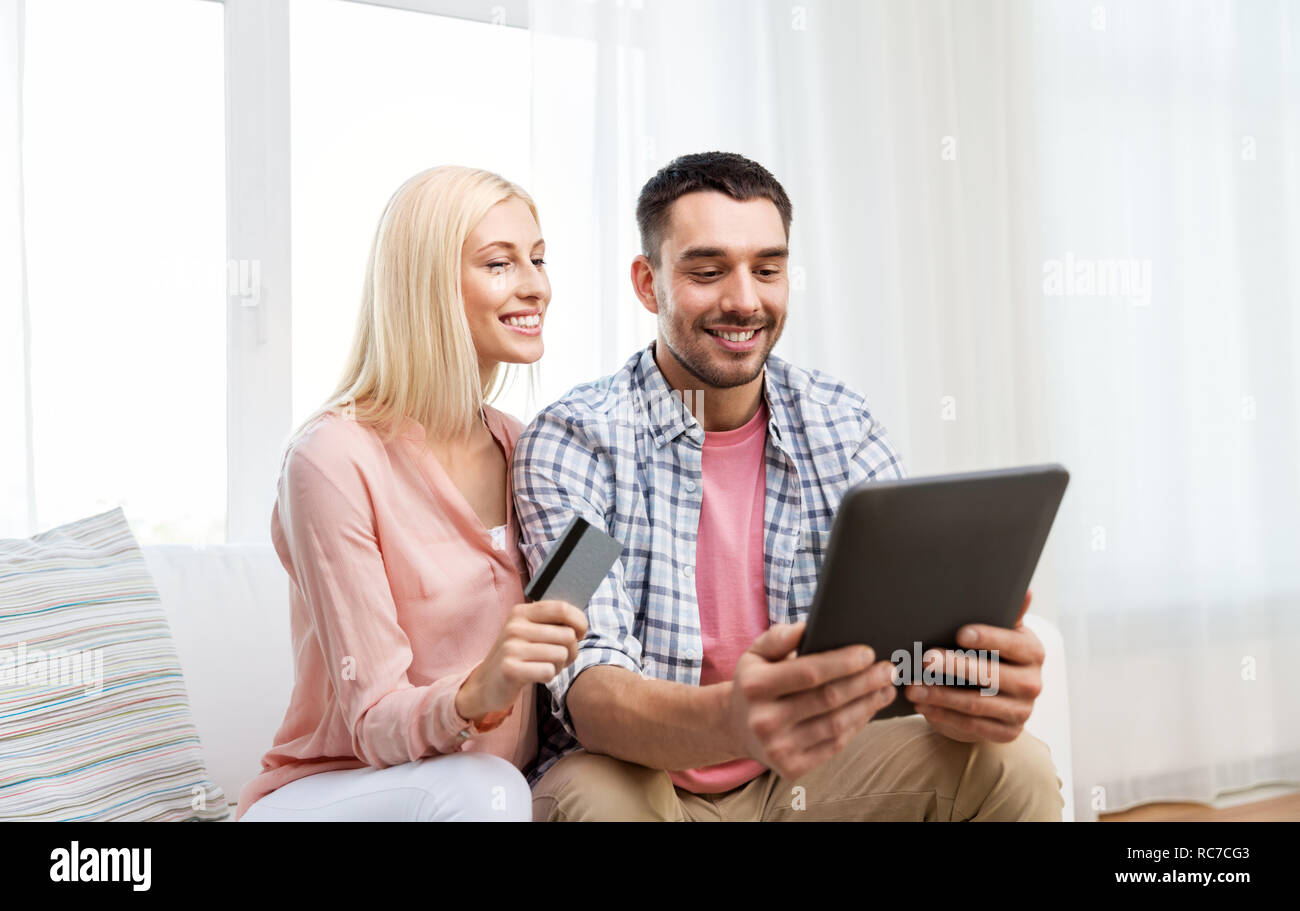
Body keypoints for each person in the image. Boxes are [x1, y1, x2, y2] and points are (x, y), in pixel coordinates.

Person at [512, 151, 1064, 821]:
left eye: (767, 269)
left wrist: (972, 682)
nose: (745, 299)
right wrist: (736, 718)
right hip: (643, 780)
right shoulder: (581, 442)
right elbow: (591, 687)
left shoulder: (842, 426)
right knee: (591, 799)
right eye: (708, 270)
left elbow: (900, 642)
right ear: (648, 282)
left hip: (806, 779)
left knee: (1015, 766)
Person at [236, 165, 587, 822]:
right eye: (499, 263)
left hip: (486, 792)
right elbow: (372, 720)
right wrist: (477, 692)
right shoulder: (333, 458)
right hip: (341, 789)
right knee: (485, 788)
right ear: (428, 285)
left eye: (538, 259)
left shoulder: (526, 447)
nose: (536, 284)